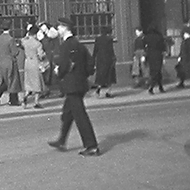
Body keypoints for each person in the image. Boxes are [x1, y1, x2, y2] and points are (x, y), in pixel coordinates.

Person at [48, 17, 101, 156]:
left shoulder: (66, 45)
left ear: (65, 28)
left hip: (71, 86)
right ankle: (61, 140)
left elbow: (64, 65)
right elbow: (90, 65)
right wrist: (81, 74)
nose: (58, 30)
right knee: (67, 113)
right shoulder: (79, 44)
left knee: (80, 116)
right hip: (79, 85)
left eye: (59, 27)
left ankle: (92, 146)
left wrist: (58, 72)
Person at [0, 27, 22, 106]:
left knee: (5, 80)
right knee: (13, 80)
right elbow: (15, 52)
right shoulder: (10, 39)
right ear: (10, 29)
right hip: (10, 62)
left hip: (1, 62)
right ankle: (13, 100)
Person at [20, 24, 45, 108]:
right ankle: (36, 102)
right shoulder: (38, 44)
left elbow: (22, 41)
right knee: (37, 83)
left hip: (27, 62)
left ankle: (25, 97)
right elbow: (41, 55)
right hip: (35, 63)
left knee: (28, 82)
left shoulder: (25, 41)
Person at [92, 26, 117, 98]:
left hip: (100, 59)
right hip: (108, 59)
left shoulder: (98, 39)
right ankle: (108, 92)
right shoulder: (109, 39)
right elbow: (111, 49)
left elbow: (95, 50)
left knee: (100, 75)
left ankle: (98, 90)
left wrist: (93, 58)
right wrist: (114, 57)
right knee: (109, 75)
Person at [144, 26, 167, 94]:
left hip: (150, 56)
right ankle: (156, 87)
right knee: (158, 71)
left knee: (153, 71)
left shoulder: (146, 37)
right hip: (158, 55)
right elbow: (163, 46)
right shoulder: (159, 37)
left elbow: (144, 45)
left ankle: (155, 86)